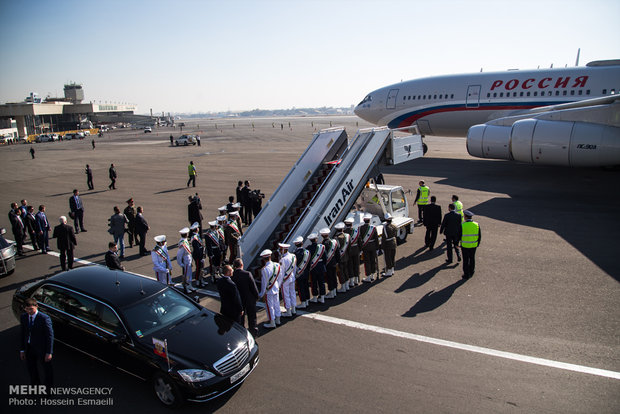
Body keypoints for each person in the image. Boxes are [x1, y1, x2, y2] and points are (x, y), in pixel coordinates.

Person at [20, 298, 53, 388]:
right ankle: (36, 386)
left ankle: (48, 389)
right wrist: (22, 350)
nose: (29, 311)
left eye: (31, 309)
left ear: (36, 306)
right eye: (27, 309)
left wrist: (49, 352)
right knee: (31, 369)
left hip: (41, 349)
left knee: (47, 370)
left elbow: (49, 336)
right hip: (29, 348)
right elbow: (23, 334)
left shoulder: (44, 318)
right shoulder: (23, 317)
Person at [232, 258, 259, 336]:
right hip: (249, 299)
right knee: (252, 316)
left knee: (241, 318)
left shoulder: (232, 276)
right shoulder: (247, 274)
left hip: (239, 300)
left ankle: (242, 332)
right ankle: (253, 332)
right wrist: (256, 296)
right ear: (242, 265)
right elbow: (253, 287)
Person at [258, 249, 281, 329]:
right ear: (270, 256)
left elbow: (264, 283)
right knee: (277, 304)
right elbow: (280, 277)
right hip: (276, 287)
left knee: (269, 307)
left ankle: (272, 322)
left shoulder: (264, 269)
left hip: (269, 290)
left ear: (263, 259)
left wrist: (261, 294)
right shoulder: (277, 265)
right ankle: (278, 319)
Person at [461, 210, 481, 280]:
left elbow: (459, 235)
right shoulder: (476, 224)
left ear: (466, 217)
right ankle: (472, 271)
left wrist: (457, 243)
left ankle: (466, 274)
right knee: (472, 258)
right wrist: (477, 243)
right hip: (473, 245)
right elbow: (479, 235)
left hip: (465, 245)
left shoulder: (463, 225)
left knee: (465, 260)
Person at [320, 228, 340, 299]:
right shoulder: (333, 242)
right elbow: (337, 252)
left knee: (329, 278)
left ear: (322, 235)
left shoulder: (323, 244)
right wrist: (337, 261)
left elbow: (323, 256)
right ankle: (334, 291)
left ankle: (331, 292)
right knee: (334, 276)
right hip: (334, 262)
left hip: (328, 263)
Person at [278, 243, 297, 317]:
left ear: (284, 250)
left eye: (280, 249)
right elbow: (294, 268)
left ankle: (288, 311)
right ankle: (294, 309)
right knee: (292, 293)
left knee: (286, 295)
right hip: (292, 277)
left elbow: (281, 273)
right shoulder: (293, 256)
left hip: (285, 280)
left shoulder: (283, 260)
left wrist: (279, 284)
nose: (280, 251)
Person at [307, 233, 326, 303]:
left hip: (313, 267)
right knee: (321, 282)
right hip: (321, 266)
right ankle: (322, 298)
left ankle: (315, 298)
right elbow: (325, 258)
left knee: (314, 283)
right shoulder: (321, 247)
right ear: (316, 239)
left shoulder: (308, 248)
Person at [360, 213, 379, 282]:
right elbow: (376, 238)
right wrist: (377, 248)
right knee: (373, 260)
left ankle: (368, 276)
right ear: (369, 220)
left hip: (365, 247)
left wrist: (361, 248)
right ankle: (372, 275)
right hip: (373, 246)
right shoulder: (373, 227)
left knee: (367, 261)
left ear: (363, 220)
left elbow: (360, 239)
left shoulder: (361, 228)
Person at [292, 236, 311, 308]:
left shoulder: (295, 253)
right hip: (306, 272)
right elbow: (308, 263)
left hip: (299, 273)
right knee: (306, 286)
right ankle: (307, 300)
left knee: (301, 288)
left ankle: (303, 302)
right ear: (302, 243)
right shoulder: (307, 252)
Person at [334, 222, 352, 291]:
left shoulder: (336, 238)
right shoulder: (347, 236)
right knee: (346, 270)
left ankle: (343, 287)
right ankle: (347, 285)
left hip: (340, 258)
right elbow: (349, 247)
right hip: (346, 256)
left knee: (341, 272)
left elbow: (336, 250)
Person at [343, 217, 361, 285]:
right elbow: (360, 241)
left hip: (349, 251)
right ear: (351, 224)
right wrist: (360, 249)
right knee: (356, 264)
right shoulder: (356, 231)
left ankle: (351, 281)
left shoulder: (344, 232)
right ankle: (356, 279)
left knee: (350, 266)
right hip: (356, 249)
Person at [177, 227, 194, 293]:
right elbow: (179, 255)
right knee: (186, 274)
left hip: (188, 259)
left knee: (189, 274)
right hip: (185, 260)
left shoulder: (185, 240)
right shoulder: (182, 243)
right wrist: (180, 263)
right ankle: (186, 288)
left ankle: (190, 285)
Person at [190, 222, 205, 287]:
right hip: (198, 256)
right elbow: (197, 249)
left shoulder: (196, 235)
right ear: (196, 229)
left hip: (200, 254)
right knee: (198, 268)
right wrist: (201, 257)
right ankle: (197, 280)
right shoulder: (194, 238)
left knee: (201, 268)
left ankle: (201, 279)